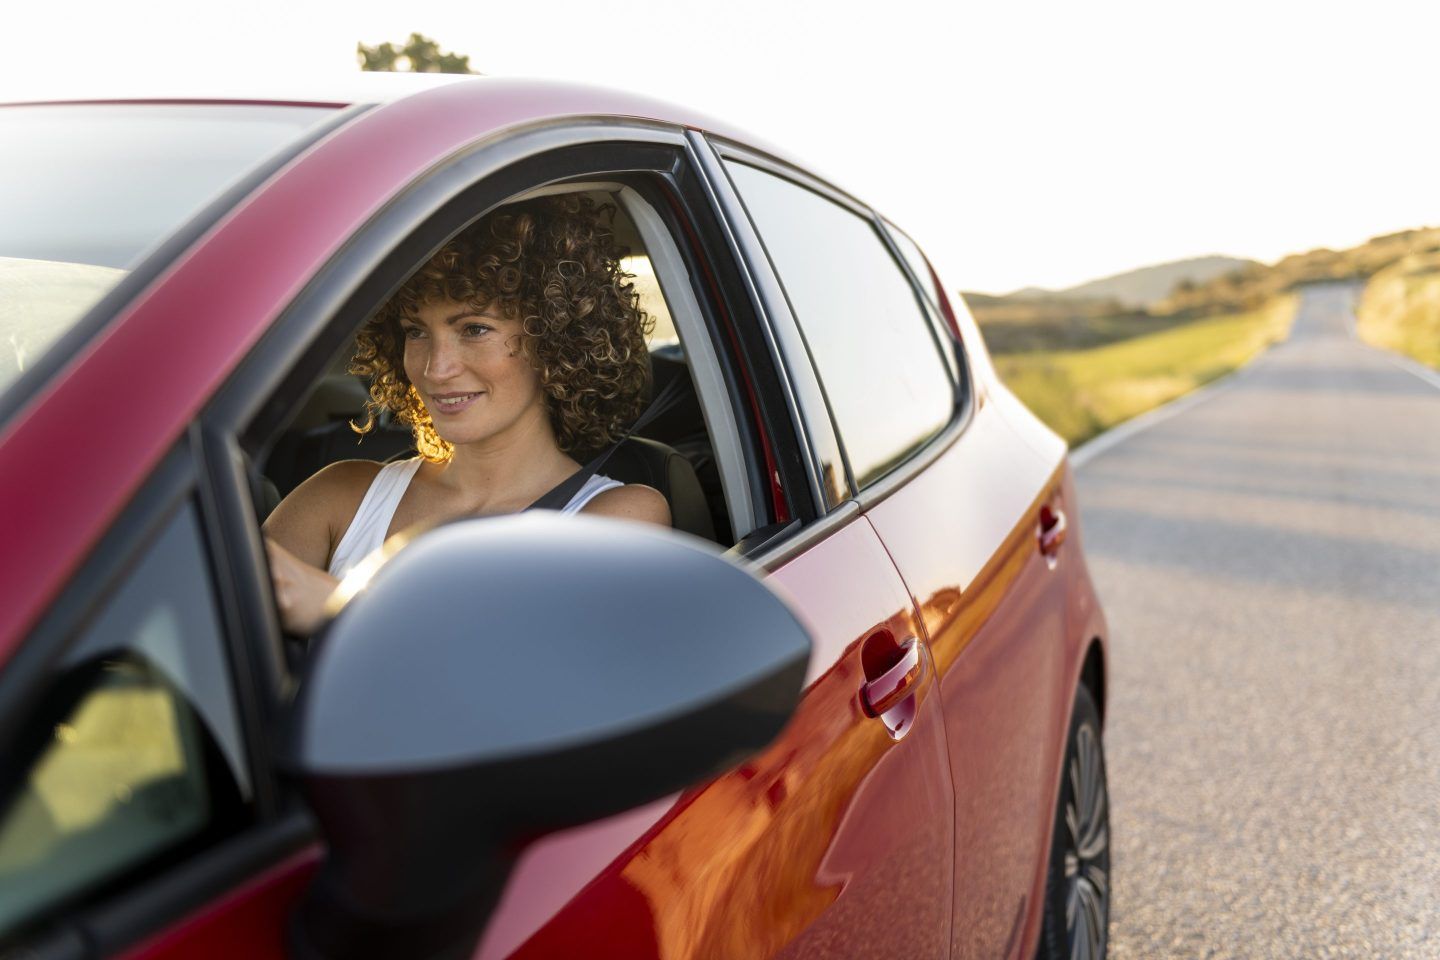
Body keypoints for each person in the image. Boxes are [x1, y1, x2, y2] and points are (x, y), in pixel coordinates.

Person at [263, 194, 670, 635]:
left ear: (554, 341)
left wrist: (335, 607)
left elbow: (522, 668)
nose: (435, 368)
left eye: (474, 329)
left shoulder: (618, 514)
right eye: (416, 332)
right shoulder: (338, 496)